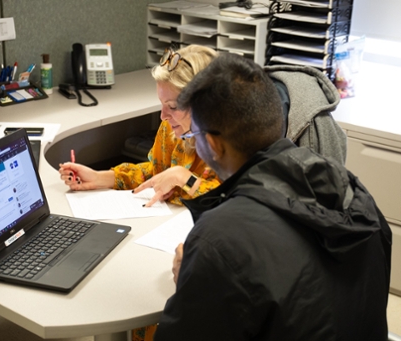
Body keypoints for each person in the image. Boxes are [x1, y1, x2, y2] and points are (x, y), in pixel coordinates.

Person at [154, 53, 392, 340]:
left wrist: (189, 282)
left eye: (196, 134)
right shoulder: (357, 196)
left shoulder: (217, 240)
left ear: (214, 145)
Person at [59, 45, 221, 207]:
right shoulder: (172, 128)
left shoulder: (234, 143)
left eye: (172, 106)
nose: (163, 116)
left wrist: (184, 178)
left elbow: (228, 202)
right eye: (162, 104)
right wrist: (100, 178)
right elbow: (156, 172)